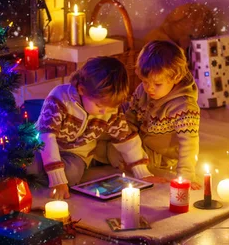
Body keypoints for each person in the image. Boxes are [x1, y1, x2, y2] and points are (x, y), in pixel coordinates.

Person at [28, 56, 164, 200]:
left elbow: (126, 139)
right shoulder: (60, 98)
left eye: (110, 108)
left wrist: (143, 173)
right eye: (99, 106)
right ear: (82, 90)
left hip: (76, 155)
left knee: (72, 175)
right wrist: (57, 179)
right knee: (27, 165)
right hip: (41, 146)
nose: (104, 112)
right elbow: (46, 137)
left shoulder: (109, 110)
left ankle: (42, 176)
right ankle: (40, 175)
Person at [123, 40, 202, 189]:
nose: (149, 88)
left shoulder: (184, 106)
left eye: (157, 84)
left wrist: (186, 174)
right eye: (145, 81)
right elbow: (131, 117)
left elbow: (189, 144)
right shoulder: (143, 90)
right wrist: (126, 138)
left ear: (176, 78)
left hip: (159, 157)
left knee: (114, 154)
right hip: (140, 142)